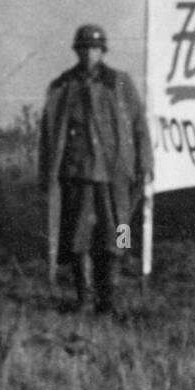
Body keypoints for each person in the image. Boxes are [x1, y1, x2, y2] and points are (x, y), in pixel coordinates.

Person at [39, 24, 153, 315]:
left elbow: (139, 123)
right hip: (77, 172)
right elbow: (49, 134)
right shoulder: (63, 86)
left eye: (94, 48)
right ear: (76, 51)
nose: (89, 54)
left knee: (116, 234)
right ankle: (85, 298)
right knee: (78, 237)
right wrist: (47, 174)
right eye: (84, 48)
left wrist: (145, 161)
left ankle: (109, 299)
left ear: (103, 51)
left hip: (115, 172)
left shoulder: (120, 82)